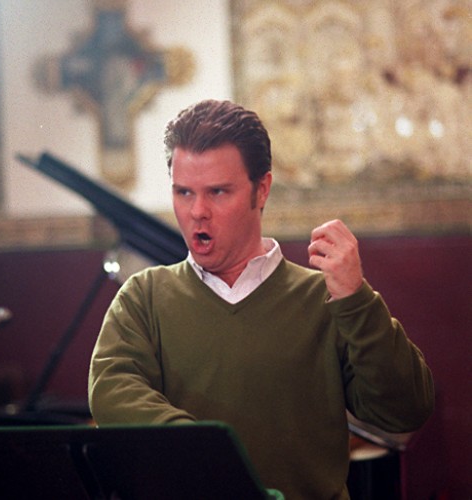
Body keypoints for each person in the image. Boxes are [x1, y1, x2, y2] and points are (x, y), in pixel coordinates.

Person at [88, 99, 434, 499]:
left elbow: (406, 410)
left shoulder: (325, 299)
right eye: (183, 192)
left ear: (262, 189)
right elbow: (112, 389)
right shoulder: (143, 296)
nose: (198, 211)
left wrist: (357, 300)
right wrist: (214, 457)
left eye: (218, 191)